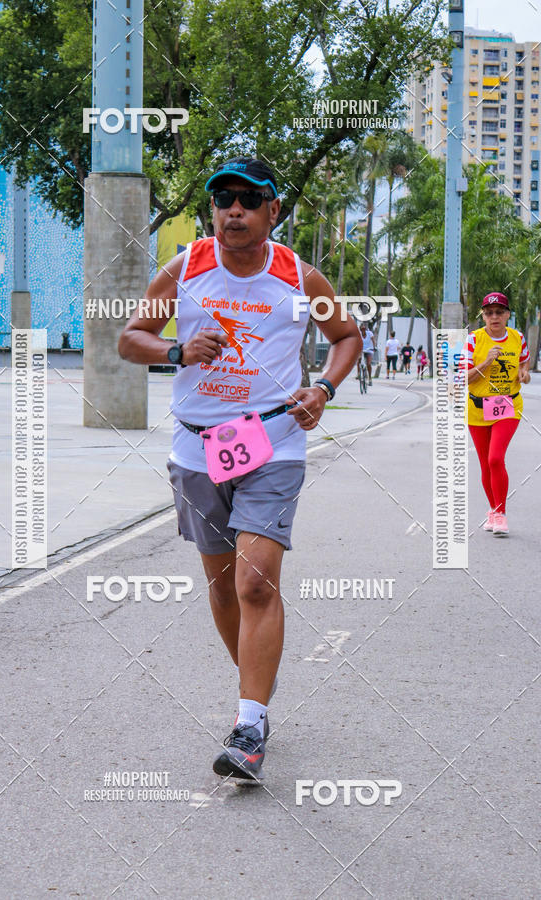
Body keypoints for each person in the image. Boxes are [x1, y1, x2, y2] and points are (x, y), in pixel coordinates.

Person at [118, 157, 362, 781]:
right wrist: (175, 349)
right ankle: (256, 689)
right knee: (224, 586)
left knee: (255, 583)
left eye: (249, 200)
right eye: (224, 198)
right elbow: (130, 338)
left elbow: (347, 337)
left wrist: (323, 389)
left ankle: (249, 725)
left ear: (272, 211)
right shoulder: (185, 269)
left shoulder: (299, 276)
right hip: (198, 449)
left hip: (273, 444)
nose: (234, 209)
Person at [467, 292, 530, 536]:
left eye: (499, 312)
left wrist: (524, 373)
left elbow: (524, 362)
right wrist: (485, 363)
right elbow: (462, 378)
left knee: (495, 458)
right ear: (483, 316)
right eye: (489, 313)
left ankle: (500, 514)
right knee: (485, 464)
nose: (494, 317)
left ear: (507, 315)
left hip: (507, 405)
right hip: (478, 409)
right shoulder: (474, 340)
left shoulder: (517, 338)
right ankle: (493, 510)